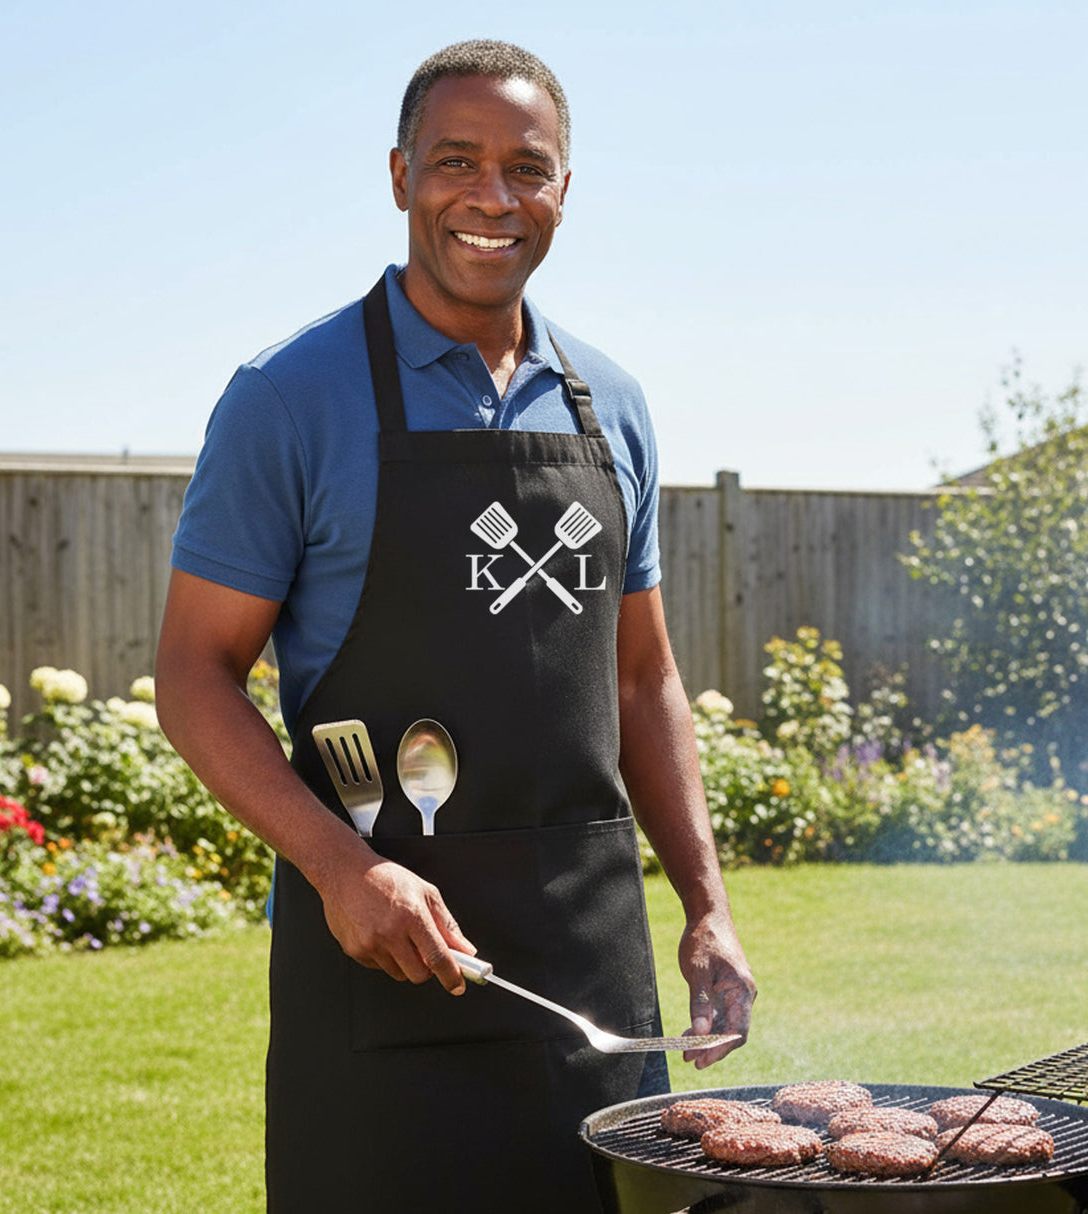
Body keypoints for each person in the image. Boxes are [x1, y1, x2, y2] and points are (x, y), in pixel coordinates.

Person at [155, 38, 755, 1213]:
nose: (491, 197)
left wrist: (707, 907)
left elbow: (641, 682)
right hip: (382, 964)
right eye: (455, 161)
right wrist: (341, 864)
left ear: (564, 191)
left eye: (526, 167)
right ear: (397, 177)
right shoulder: (289, 397)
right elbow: (192, 675)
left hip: (593, 978)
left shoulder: (613, 405)